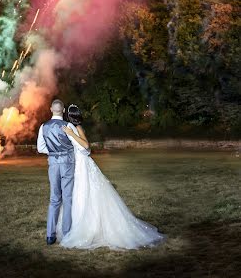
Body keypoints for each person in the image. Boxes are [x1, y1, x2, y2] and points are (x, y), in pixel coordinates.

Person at [59, 104, 165, 250]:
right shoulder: (69, 126)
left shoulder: (77, 128)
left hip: (83, 165)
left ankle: (88, 226)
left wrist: (71, 134)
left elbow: (86, 145)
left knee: (85, 192)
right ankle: (76, 224)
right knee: (78, 193)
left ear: (70, 115)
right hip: (76, 163)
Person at [37, 99, 87, 245]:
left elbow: (40, 148)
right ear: (63, 110)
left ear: (51, 109)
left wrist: (53, 152)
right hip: (67, 164)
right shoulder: (68, 125)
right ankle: (66, 234)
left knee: (54, 199)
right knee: (67, 198)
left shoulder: (43, 127)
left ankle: (50, 235)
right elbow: (81, 146)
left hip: (53, 164)